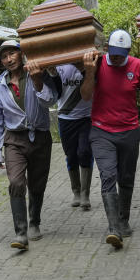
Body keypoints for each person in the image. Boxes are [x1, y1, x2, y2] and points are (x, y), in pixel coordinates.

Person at [81, 30, 140, 250]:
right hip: (100, 131)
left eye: (120, 54)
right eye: (112, 53)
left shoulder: (137, 66)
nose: (115, 58)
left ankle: (123, 220)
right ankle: (114, 228)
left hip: (129, 131)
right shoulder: (96, 64)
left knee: (126, 178)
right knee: (108, 175)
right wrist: (89, 73)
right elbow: (86, 95)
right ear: (106, 48)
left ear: (127, 52)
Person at [0, 39, 57, 251]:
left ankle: (35, 221)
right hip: (14, 141)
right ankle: (21, 232)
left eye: (11, 54)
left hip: (40, 137)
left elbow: (50, 101)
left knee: (37, 183)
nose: (8, 59)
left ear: (21, 53)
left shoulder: (38, 73)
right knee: (16, 182)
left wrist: (38, 82)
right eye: (4, 57)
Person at [53, 62, 93, 210]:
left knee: (85, 152)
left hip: (87, 117)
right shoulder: (59, 64)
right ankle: (76, 191)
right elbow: (55, 90)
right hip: (66, 117)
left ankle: (85, 194)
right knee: (71, 156)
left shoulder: (91, 61)